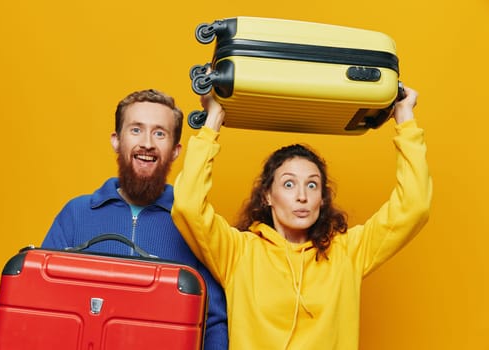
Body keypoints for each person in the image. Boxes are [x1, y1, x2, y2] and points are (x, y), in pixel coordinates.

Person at [171, 86, 432, 349]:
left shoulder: (348, 253)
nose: (302, 196)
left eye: (311, 185)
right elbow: (188, 206)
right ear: (267, 196)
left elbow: (414, 205)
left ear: (322, 198)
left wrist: (404, 118)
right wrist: (212, 121)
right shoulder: (238, 252)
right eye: (288, 184)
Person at [0, 89, 228, 350]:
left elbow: (214, 321)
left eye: (159, 133)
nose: (147, 143)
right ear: (116, 141)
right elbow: (36, 299)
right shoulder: (77, 213)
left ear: (176, 151)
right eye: (135, 130)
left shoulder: (192, 222)